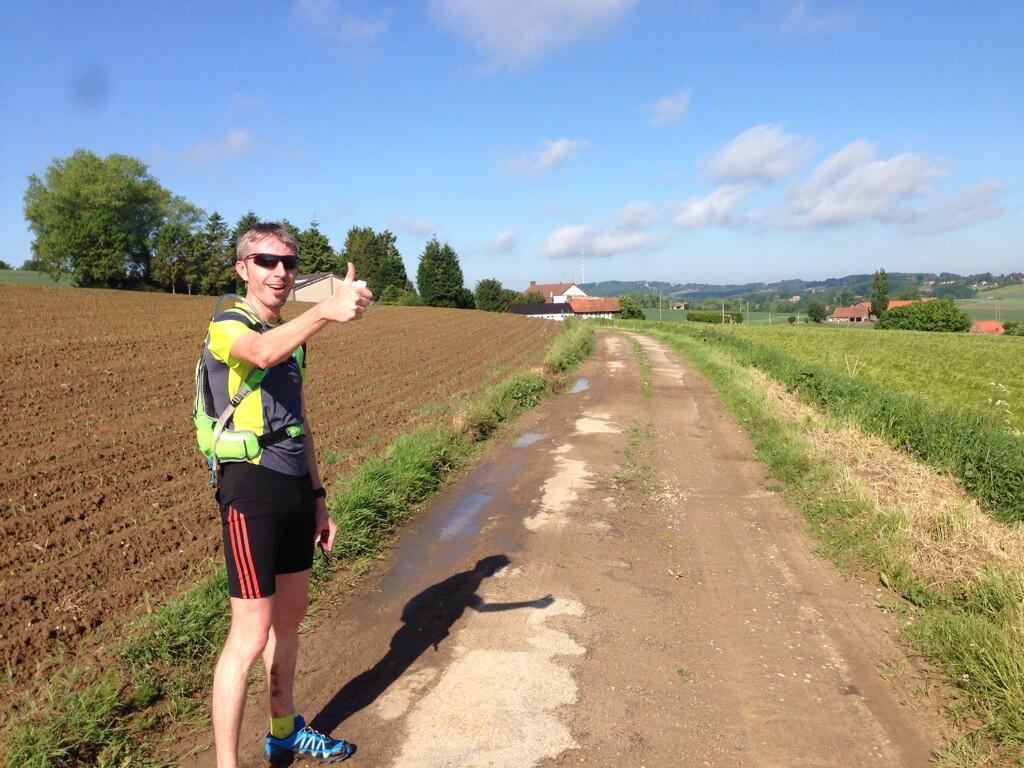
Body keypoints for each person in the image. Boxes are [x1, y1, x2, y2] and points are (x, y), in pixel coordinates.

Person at [204, 222, 372, 767]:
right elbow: (259, 353)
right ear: (243, 269)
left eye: (288, 263)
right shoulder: (227, 323)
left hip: (296, 488)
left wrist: (320, 499)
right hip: (250, 488)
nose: (280, 272)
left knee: (290, 617)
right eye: (267, 261)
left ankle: (283, 730)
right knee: (249, 636)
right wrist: (324, 311)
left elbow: (300, 423)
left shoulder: (294, 342)